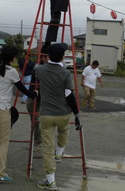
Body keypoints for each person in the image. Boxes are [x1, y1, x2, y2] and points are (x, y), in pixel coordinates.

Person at [0, 45, 38, 184]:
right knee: (3, 142)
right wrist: (35, 94)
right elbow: (21, 89)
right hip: (1, 110)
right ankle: (0, 174)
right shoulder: (12, 71)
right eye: (14, 56)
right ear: (12, 58)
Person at [34, 43, 82, 190]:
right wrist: (77, 114)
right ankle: (60, 153)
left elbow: (36, 72)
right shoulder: (66, 74)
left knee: (47, 148)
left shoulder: (39, 70)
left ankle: (51, 181)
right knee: (64, 130)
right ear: (62, 57)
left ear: (47, 56)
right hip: (63, 113)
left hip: (46, 114)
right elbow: (69, 95)